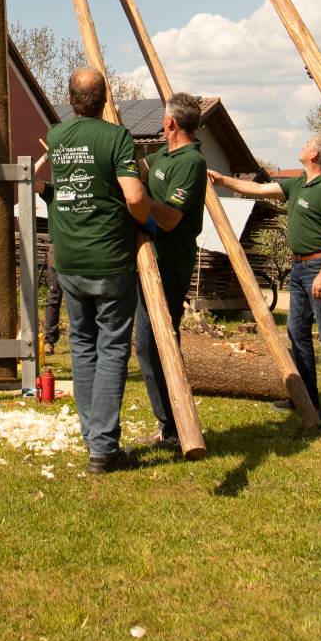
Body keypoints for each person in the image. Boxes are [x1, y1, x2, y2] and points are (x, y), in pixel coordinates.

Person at [45, 67, 152, 475]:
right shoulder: (116, 137)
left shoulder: (56, 138)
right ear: (105, 98)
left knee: (82, 345)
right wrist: (145, 219)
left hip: (69, 261)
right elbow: (134, 194)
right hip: (109, 259)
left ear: (70, 98)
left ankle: (92, 437)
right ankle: (104, 449)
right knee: (111, 349)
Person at [212, 131, 321, 416]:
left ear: (314, 155)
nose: (302, 146)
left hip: (319, 266)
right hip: (300, 267)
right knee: (296, 331)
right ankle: (305, 396)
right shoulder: (300, 183)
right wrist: (222, 180)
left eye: (306, 144)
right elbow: (260, 190)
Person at [135, 94, 207, 446]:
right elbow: (138, 169)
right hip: (149, 258)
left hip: (171, 261)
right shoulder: (162, 154)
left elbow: (169, 218)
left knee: (158, 341)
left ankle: (175, 425)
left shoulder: (191, 162)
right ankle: (169, 424)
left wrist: (136, 201)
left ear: (170, 124)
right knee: (147, 343)